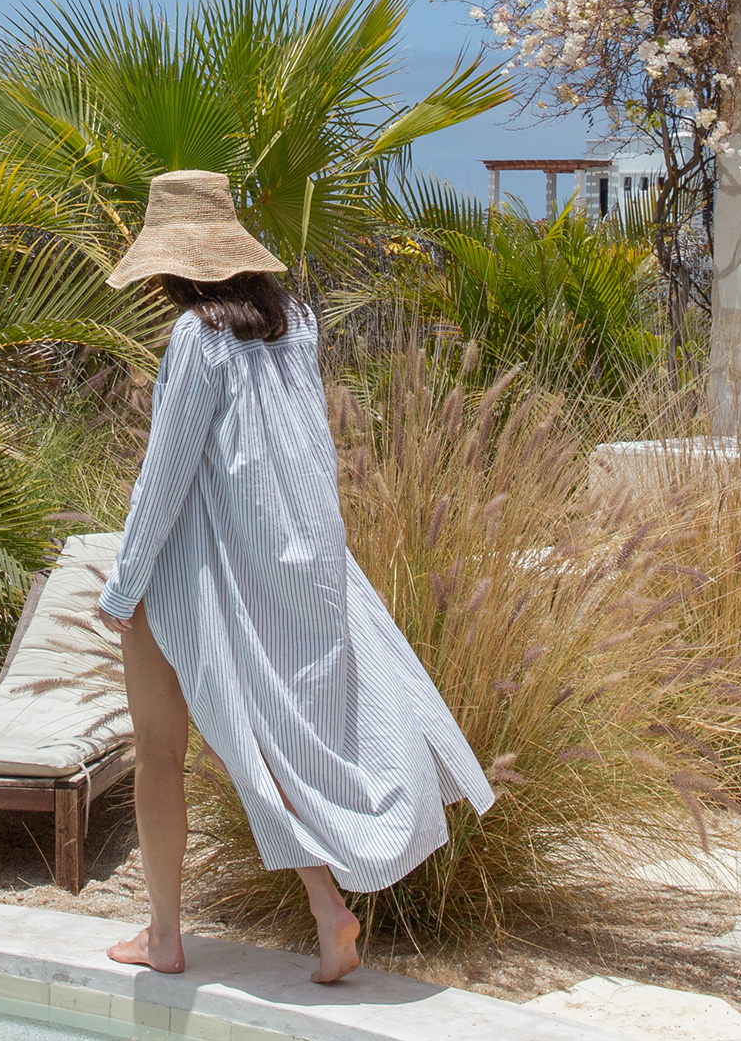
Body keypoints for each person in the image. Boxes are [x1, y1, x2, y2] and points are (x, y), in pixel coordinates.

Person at [94, 170, 493, 984]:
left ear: (172, 263)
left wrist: (122, 586)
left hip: (194, 573)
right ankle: (325, 905)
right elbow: (310, 450)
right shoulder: (297, 324)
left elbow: (165, 476)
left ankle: (165, 935)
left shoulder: (196, 338)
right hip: (287, 560)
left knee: (161, 753)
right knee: (269, 731)